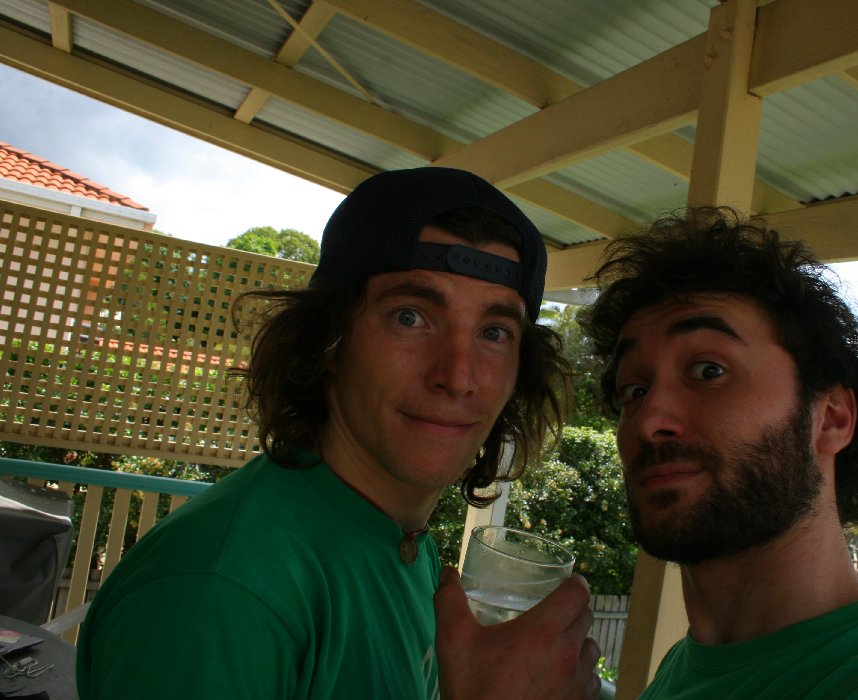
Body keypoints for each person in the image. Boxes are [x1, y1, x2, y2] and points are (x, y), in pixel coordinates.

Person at [77, 167, 601, 699]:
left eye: (494, 332)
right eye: (409, 317)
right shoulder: (219, 593)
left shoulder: (402, 547)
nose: (458, 376)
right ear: (328, 340)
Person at [578, 207, 858, 699]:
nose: (649, 420)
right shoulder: (688, 665)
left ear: (831, 418)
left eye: (710, 371)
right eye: (634, 390)